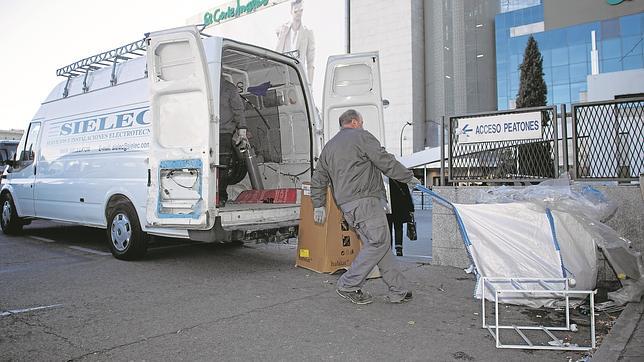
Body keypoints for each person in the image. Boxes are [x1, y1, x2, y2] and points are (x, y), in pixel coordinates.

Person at [310, 109, 421, 305]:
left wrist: (318, 204)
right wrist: (408, 178)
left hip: (348, 205)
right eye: (361, 122)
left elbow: (318, 178)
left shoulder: (329, 147)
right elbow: (384, 160)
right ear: (354, 122)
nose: (362, 125)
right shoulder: (361, 136)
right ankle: (348, 284)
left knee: (380, 244)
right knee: (378, 242)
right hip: (365, 200)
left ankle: (399, 289)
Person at [219, 76, 248, 206]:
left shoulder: (229, 88)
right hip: (208, 132)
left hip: (223, 131)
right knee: (220, 166)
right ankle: (219, 196)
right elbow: (238, 109)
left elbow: (238, 109)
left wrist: (242, 131)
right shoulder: (228, 87)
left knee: (222, 166)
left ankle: (220, 196)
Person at [275, 0, 315, 85]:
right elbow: (276, 54)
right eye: (296, 11)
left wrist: (310, 85)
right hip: (284, 76)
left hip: (299, 77)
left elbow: (310, 61)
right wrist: (282, 36)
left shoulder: (308, 32)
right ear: (291, 11)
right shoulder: (283, 29)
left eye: (301, 10)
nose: (299, 13)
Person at [387, 178, 415, 256]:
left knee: (388, 229)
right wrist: (411, 208)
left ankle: (389, 249)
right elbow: (407, 195)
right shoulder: (400, 179)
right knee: (399, 228)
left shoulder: (385, 181)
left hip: (388, 209)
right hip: (399, 209)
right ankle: (399, 249)